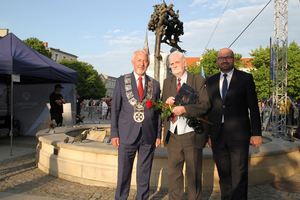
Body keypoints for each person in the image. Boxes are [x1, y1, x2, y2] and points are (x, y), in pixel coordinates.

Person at [206, 48, 262, 200]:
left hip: (239, 135)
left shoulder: (245, 78)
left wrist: (256, 133)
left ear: (233, 59)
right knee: (224, 176)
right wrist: (208, 135)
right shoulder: (210, 80)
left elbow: (253, 107)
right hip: (217, 135)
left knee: (239, 175)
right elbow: (209, 109)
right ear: (217, 61)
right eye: (221, 58)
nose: (224, 60)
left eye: (228, 57)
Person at [111, 49, 161, 200]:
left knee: (144, 174)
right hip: (126, 134)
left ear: (148, 63)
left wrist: (158, 135)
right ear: (133, 62)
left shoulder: (155, 85)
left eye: (145, 61)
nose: (142, 63)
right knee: (124, 174)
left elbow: (158, 112)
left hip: (148, 135)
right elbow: (115, 109)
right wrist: (114, 133)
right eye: (139, 60)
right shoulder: (121, 81)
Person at [162, 50, 211, 200]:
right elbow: (163, 109)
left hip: (191, 133)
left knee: (193, 172)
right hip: (173, 133)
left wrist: (185, 109)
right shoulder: (167, 82)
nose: (175, 65)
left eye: (177, 62)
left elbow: (205, 105)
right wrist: (166, 104)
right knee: (174, 173)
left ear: (184, 63)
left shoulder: (197, 80)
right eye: (172, 64)